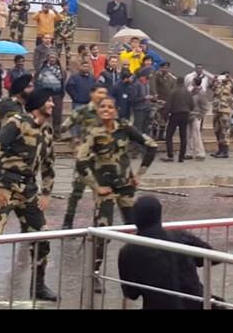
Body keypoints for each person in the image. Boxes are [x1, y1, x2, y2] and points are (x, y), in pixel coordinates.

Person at [0, 89, 57, 310]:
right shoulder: (18, 122)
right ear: (37, 104)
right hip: (5, 189)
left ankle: (39, 286)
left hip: (29, 191)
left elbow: (49, 165)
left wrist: (46, 193)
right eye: (48, 101)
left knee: (42, 238)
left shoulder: (47, 131)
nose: (52, 104)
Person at [75, 95, 158, 293]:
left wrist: (139, 174)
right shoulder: (93, 132)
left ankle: (140, 273)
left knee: (138, 230)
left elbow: (151, 145)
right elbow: (81, 162)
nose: (106, 109)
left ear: (115, 110)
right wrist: (95, 187)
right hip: (105, 189)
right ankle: (94, 273)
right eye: (102, 106)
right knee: (103, 230)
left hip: (126, 187)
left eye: (110, 107)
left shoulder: (124, 127)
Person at [118, 196, 220, 310]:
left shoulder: (128, 252)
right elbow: (214, 257)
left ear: (135, 217)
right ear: (159, 215)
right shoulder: (180, 237)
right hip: (196, 303)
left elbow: (131, 293)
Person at [58, 84, 108, 229]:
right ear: (92, 94)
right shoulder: (84, 111)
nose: (103, 96)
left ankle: (98, 224)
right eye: (100, 93)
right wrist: (74, 143)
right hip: (85, 159)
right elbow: (64, 127)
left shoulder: (108, 111)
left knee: (100, 193)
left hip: (102, 160)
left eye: (105, 93)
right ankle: (68, 222)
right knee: (76, 193)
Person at [161, 77, 194, 162]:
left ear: (176, 82)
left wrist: (165, 115)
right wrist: (188, 110)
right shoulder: (188, 92)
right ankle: (181, 157)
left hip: (175, 114)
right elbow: (192, 105)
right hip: (185, 114)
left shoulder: (173, 92)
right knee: (183, 136)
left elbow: (168, 105)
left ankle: (170, 155)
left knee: (169, 135)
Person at [36, 53, 67, 137]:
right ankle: (45, 132)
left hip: (57, 95)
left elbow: (63, 81)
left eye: (54, 57)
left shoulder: (61, 70)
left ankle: (57, 133)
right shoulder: (43, 69)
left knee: (57, 115)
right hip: (46, 95)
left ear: (57, 59)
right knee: (45, 113)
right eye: (50, 57)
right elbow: (38, 81)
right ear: (48, 58)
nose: (52, 59)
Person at [210, 72, 233, 158]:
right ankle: (220, 149)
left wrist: (230, 79)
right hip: (216, 110)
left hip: (225, 111)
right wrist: (213, 80)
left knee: (224, 131)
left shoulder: (231, 85)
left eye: (226, 76)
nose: (224, 78)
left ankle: (225, 151)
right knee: (217, 130)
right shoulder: (218, 85)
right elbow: (210, 87)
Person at [149, 61, 175, 139]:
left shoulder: (170, 77)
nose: (165, 69)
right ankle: (154, 134)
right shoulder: (156, 75)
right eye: (164, 68)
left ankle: (161, 134)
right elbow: (153, 86)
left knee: (164, 119)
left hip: (166, 101)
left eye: (167, 68)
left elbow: (172, 88)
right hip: (158, 101)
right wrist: (155, 96)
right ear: (160, 68)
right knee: (156, 119)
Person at [188, 77, 210, 161]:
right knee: (189, 135)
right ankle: (190, 151)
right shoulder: (192, 92)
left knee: (196, 135)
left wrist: (201, 115)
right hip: (190, 115)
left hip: (196, 116)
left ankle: (200, 152)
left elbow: (205, 106)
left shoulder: (201, 93)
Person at [129, 67, 152, 135]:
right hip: (139, 110)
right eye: (147, 78)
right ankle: (137, 144)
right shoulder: (136, 85)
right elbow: (132, 99)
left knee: (146, 129)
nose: (148, 80)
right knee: (138, 129)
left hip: (146, 109)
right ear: (142, 77)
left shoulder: (147, 85)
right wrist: (144, 98)